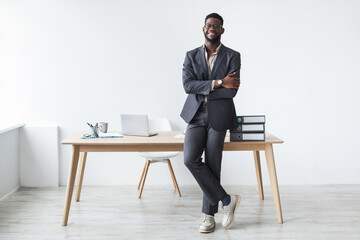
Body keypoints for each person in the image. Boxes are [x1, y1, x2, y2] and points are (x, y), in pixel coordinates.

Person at [180, 13, 241, 233]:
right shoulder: (191, 56)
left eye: (216, 25)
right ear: (203, 28)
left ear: (222, 30)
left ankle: (208, 216)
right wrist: (218, 83)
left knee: (213, 163)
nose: (212, 27)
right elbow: (188, 85)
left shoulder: (233, 56)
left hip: (219, 115)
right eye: (208, 25)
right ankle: (227, 200)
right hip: (196, 115)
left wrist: (207, 86)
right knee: (190, 159)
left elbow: (231, 91)